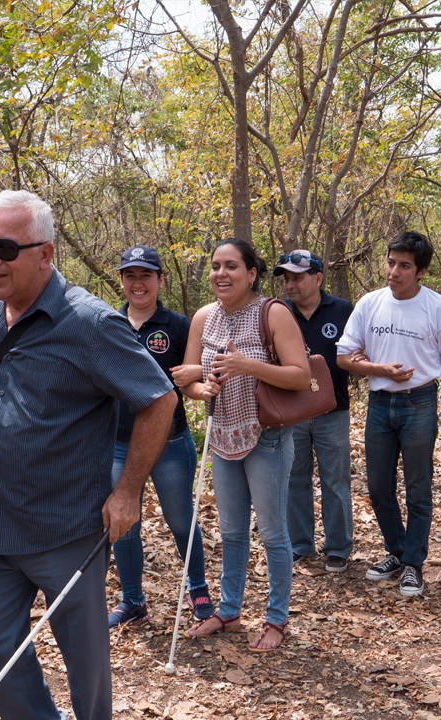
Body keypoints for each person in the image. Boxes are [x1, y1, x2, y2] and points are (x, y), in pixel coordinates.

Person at [0, 190, 177, 720]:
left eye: (4, 247)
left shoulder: (90, 323)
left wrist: (127, 492)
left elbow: (158, 397)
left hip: (65, 526)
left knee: (84, 662)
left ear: (45, 254)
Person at [175, 238, 311, 653]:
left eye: (232, 266)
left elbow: (301, 376)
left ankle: (276, 619)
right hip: (221, 435)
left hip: (266, 435)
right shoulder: (203, 317)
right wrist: (203, 387)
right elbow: (188, 380)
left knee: (272, 532)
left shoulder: (273, 313)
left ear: (251, 274)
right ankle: (229, 611)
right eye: (216, 266)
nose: (221, 274)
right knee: (232, 532)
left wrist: (245, 365)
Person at [336, 230, 441, 598]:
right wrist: (380, 370)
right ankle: (396, 552)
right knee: (378, 488)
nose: (394, 271)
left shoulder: (438, 308)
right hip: (380, 405)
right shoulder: (370, 303)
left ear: (421, 271)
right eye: (391, 263)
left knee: (418, 488)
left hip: (419, 404)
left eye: (404, 266)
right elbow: (343, 356)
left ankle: (413, 563)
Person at [106, 245, 215, 628]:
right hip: (119, 442)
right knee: (122, 523)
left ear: (160, 280)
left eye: (146, 275)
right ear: (121, 281)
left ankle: (199, 590)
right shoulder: (107, 323)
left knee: (181, 520)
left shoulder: (178, 325)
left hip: (170, 443)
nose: (138, 283)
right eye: (130, 276)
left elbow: (194, 376)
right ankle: (132, 601)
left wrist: (204, 383)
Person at [275, 249, 357, 573]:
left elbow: (358, 352)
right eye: (287, 279)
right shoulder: (279, 313)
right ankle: (299, 546)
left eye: (297, 277)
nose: (290, 285)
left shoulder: (343, 310)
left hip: (333, 410)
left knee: (335, 481)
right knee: (294, 478)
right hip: (292, 410)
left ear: (318, 278)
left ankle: (337, 548)